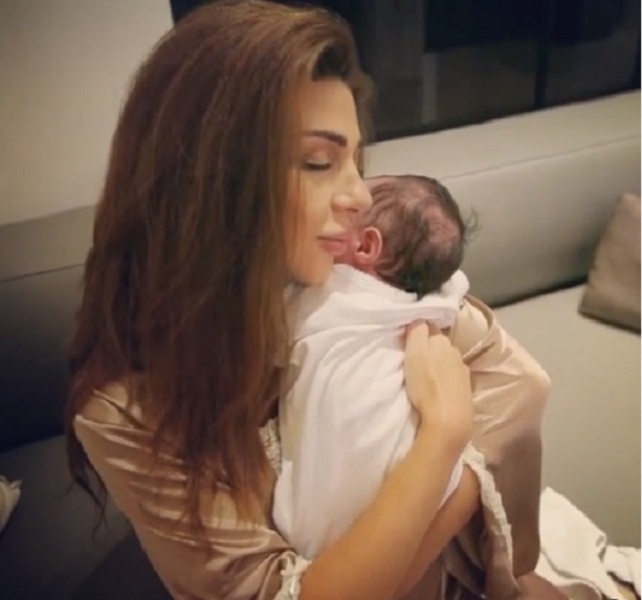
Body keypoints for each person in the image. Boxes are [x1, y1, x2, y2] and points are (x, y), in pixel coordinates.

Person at [64, 1, 565, 598]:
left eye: (354, 159)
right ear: (208, 183)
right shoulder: (126, 413)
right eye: (319, 161)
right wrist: (444, 437)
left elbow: (520, 386)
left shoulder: (343, 280)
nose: (360, 195)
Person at [274, 175, 474, 559]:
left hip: (327, 535)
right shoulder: (432, 303)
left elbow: (270, 335)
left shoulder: (329, 294)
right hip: (424, 498)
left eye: (357, 204)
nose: (350, 191)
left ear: (366, 246)